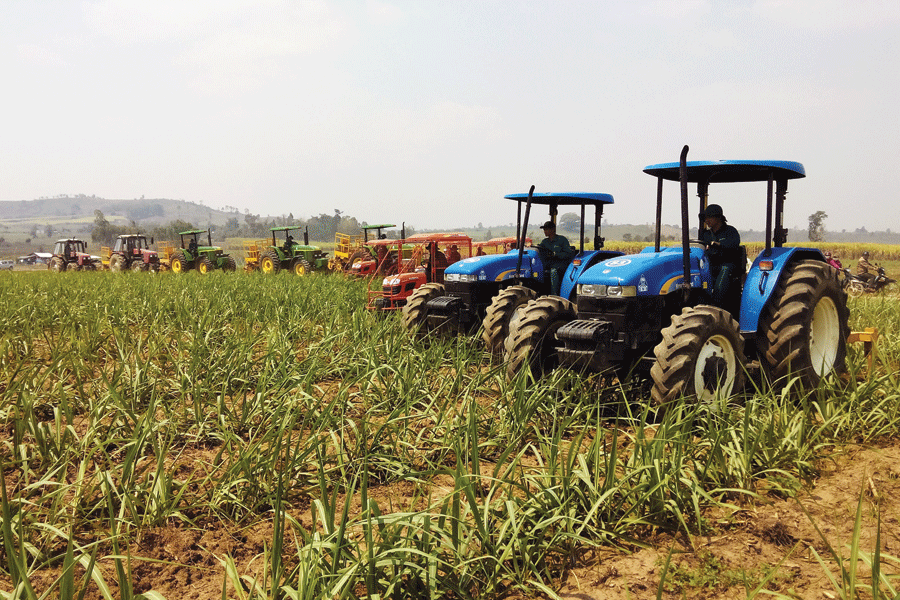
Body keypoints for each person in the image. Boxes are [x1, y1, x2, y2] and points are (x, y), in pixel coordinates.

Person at [699, 204, 741, 307]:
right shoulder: (705, 234)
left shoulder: (730, 231)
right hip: (709, 265)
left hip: (727, 264)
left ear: (718, 218)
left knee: (725, 269)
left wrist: (718, 244)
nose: (706, 221)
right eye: (705, 218)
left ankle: (715, 303)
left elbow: (733, 245)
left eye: (709, 217)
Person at [537, 221, 576, 296]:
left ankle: (554, 295)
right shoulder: (545, 242)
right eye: (544, 230)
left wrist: (556, 254)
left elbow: (568, 254)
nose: (544, 231)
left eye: (546, 229)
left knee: (554, 271)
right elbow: (540, 249)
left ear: (553, 230)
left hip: (561, 264)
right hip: (549, 264)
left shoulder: (562, 240)